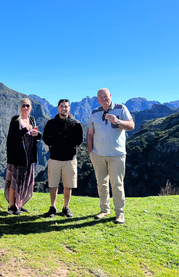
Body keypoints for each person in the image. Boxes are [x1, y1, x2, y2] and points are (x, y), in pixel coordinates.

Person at [87, 88, 135, 224]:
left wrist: (118, 122)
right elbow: (90, 133)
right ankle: (104, 210)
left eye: (105, 96)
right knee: (101, 183)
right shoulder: (94, 113)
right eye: (100, 97)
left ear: (111, 96)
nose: (103, 99)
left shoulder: (121, 109)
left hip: (117, 154)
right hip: (98, 155)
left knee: (117, 184)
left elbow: (131, 125)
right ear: (97, 100)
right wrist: (90, 152)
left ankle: (120, 213)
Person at [42, 99, 83, 218]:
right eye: (61, 106)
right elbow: (45, 137)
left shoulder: (76, 124)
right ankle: (52, 207)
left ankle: (66, 207)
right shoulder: (51, 123)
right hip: (54, 158)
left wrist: (71, 147)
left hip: (70, 159)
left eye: (66, 107)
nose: (63, 108)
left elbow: (79, 140)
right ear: (58, 108)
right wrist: (53, 145)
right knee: (53, 184)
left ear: (69, 108)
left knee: (68, 184)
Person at [5, 98, 42, 215]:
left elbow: (35, 138)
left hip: (29, 156)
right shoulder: (16, 120)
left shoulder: (32, 119)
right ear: (20, 107)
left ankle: (19, 204)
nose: (26, 108)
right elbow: (12, 137)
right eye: (23, 106)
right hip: (18, 156)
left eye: (28, 106)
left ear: (30, 107)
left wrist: (38, 135)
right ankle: (11, 206)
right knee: (15, 181)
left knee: (26, 181)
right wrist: (25, 130)